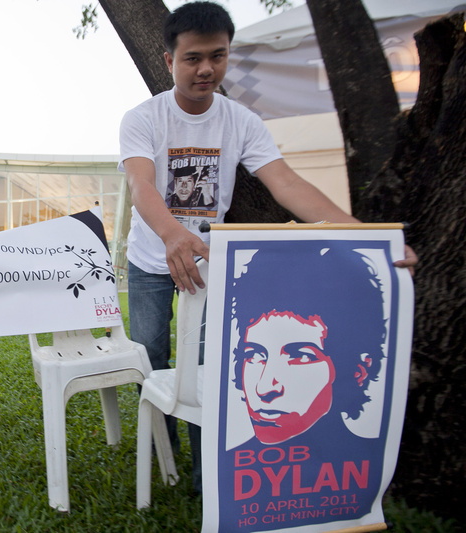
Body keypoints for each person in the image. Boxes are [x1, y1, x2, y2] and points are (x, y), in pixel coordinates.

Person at [118, 1, 418, 495]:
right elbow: (142, 184)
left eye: (218, 56)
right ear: (169, 60)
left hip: (211, 265)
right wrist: (173, 235)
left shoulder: (242, 122)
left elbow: (287, 185)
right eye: (193, 58)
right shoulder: (143, 118)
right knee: (151, 353)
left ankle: (203, 468)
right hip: (152, 260)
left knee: (206, 365)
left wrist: (365, 235)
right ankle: (162, 450)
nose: (207, 69)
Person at [230, 243, 386, 446]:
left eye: (301, 357)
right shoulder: (222, 469)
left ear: (359, 370)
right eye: (254, 356)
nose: (265, 387)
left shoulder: (372, 466)